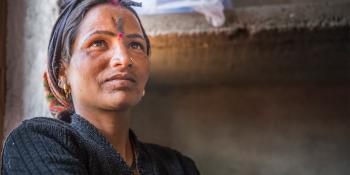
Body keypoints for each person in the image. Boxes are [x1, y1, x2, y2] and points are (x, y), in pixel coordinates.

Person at [1, 0, 200, 174]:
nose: (123, 59)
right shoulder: (37, 144)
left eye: (136, 45)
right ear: (63, 72)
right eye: (98, 43)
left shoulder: (178, 166)